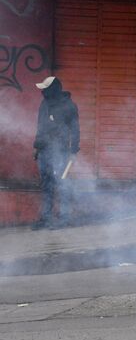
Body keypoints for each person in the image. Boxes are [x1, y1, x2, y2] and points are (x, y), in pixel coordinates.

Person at [31, 76, 80, 230]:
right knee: (46, 185)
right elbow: (40, 127)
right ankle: (46, 218)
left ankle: (64, 219)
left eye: (46, 88)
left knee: (63, 184)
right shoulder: (44, 104)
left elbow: (75, 130)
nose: (43, 91)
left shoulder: (69, 106)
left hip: (61, 152)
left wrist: (73, 151)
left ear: (54, 88)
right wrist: (37, 147)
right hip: (44, 151)